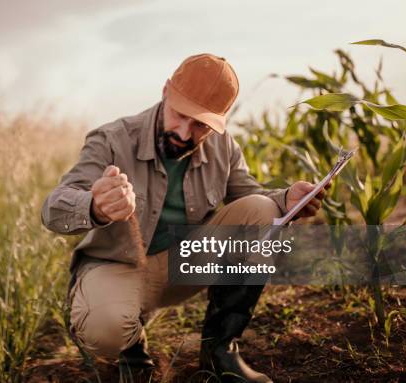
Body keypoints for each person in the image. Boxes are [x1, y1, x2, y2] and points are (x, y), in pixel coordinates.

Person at [41, 53, 327, 383]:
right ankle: (132, 347)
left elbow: (250, 203)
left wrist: (286, 200)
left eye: (201, 124)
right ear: (165, 92)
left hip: (183, 264)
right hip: (119, 267)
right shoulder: (111, 139)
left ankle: (220, 351)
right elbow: (53, 209)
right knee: (104, 331)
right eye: (180, 115)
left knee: (264, 211)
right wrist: (96, 206)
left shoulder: (224, 148)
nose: (185, 132)